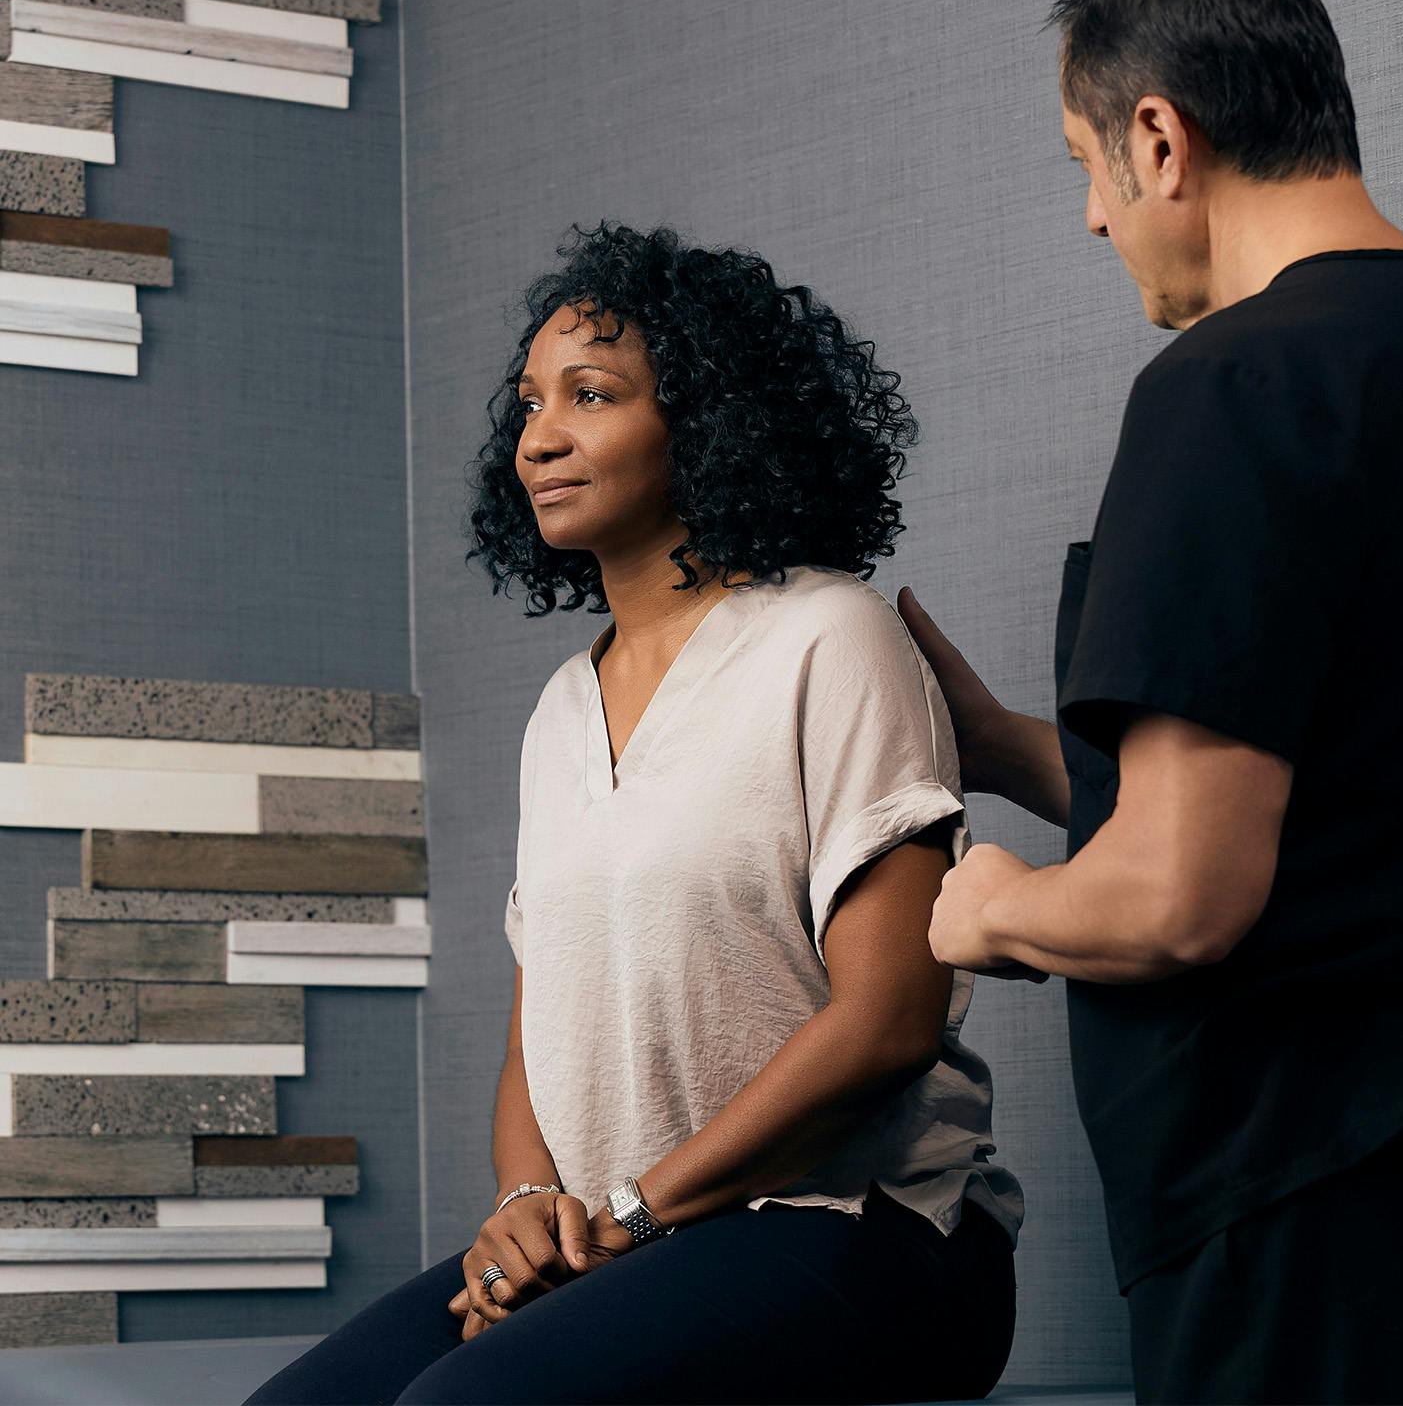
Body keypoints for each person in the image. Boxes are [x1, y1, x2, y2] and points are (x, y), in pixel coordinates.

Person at [899, 0, 1403, 1405]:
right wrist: (1003, 747)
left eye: (1085, 166)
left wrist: (993, 909)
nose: (1091, 218)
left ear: (1158, 138)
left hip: (1307, 1221)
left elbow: (1180, 896)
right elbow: (1363, 791)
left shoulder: (1233, 384)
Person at [247, 221, 1023, 1406]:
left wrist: (630, 1214)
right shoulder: (562, 706)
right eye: (529, 404)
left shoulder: (832, 637)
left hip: (865, 1230)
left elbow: (886, 1022)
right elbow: (539, 1028)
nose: (538, 437)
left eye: (591, 395)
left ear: (703, 420)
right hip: (629, 1237)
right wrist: (525, 1209)